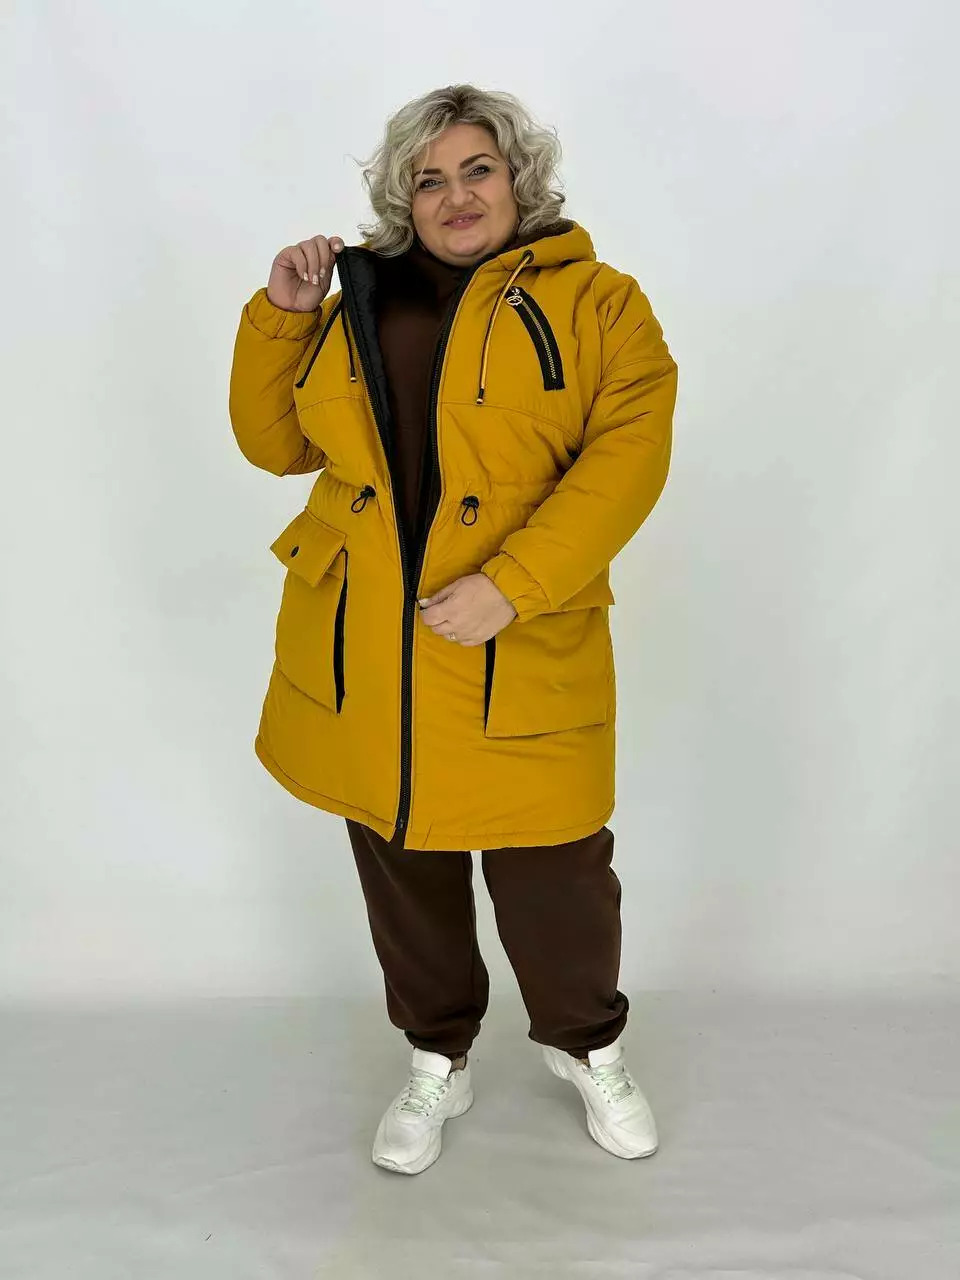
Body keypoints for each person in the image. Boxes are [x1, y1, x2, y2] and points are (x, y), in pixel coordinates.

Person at [228, 83, 678, 1175]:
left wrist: (513, 585)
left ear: (520, 178)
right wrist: (283, 315)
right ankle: (437, 1052)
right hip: (372, 644)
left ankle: (587, 1043)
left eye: (478, 169)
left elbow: (628, 461)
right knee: (403, 860)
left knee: (559, 872)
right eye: (428, 179)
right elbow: (275, 444)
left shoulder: (601, 304)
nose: (455, 195)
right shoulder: (355, 299)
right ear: (403, 198)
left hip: (515, 640)